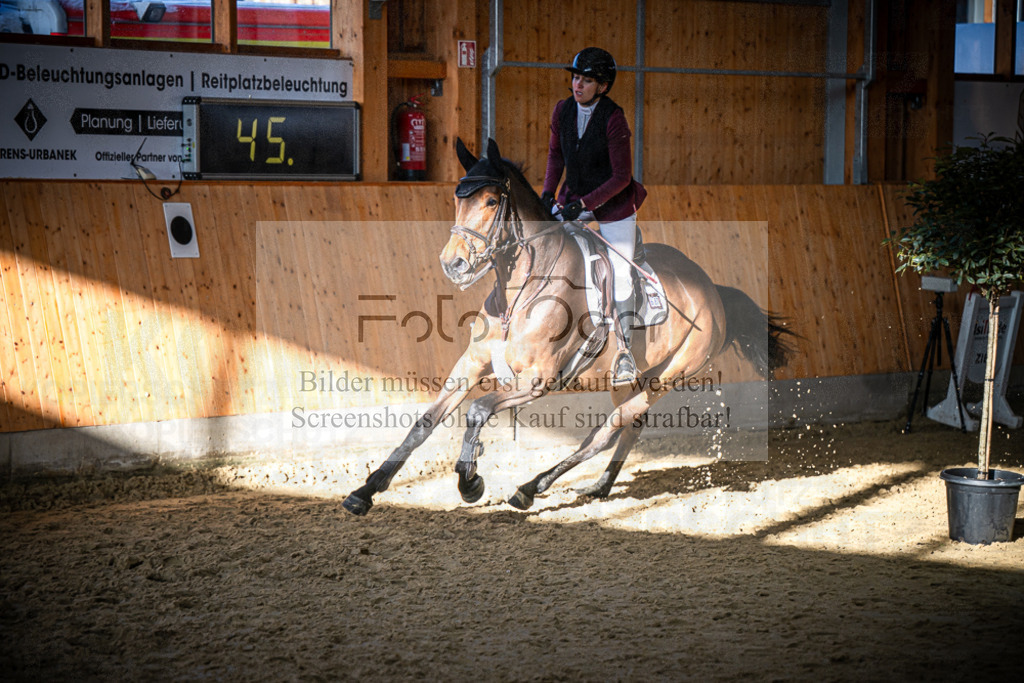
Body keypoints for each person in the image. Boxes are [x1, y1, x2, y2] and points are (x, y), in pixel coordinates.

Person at [541, 46, 648, 386]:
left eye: (586, 81)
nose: (577, 85)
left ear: (602, 86)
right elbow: (556, 156)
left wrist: (586, 203)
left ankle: (625, 352)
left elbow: (621, 178)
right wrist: (547, 193)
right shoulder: (562, 110)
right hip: (573, 199)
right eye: (575, 78)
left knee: (619, 272)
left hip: (613, 207)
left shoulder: (614, 118)